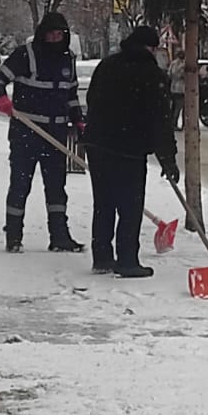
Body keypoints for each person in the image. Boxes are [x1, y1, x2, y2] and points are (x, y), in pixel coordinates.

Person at [82, 26, 179, 278]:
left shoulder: (107, 66)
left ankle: (102, 257)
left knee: (104, 203)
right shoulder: (152, 75)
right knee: (130, 205)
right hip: (129, 149)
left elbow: (92, 100)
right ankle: (127, 260)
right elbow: (161, 120)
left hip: (99, 145)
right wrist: (168, 160)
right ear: (152, 48)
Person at [0, 12, 85, 254]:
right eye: (51, 33)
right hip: (27, 131)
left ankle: (59, 237)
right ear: (43, 33)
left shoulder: (68, 59)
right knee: (21, 184)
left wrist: (78, 121)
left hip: (55, 133)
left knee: (56, 187)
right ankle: (13, 235)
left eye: (60, 33)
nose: (55, 37)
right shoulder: (26, 55)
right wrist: (1, 98)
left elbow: (70, 95)